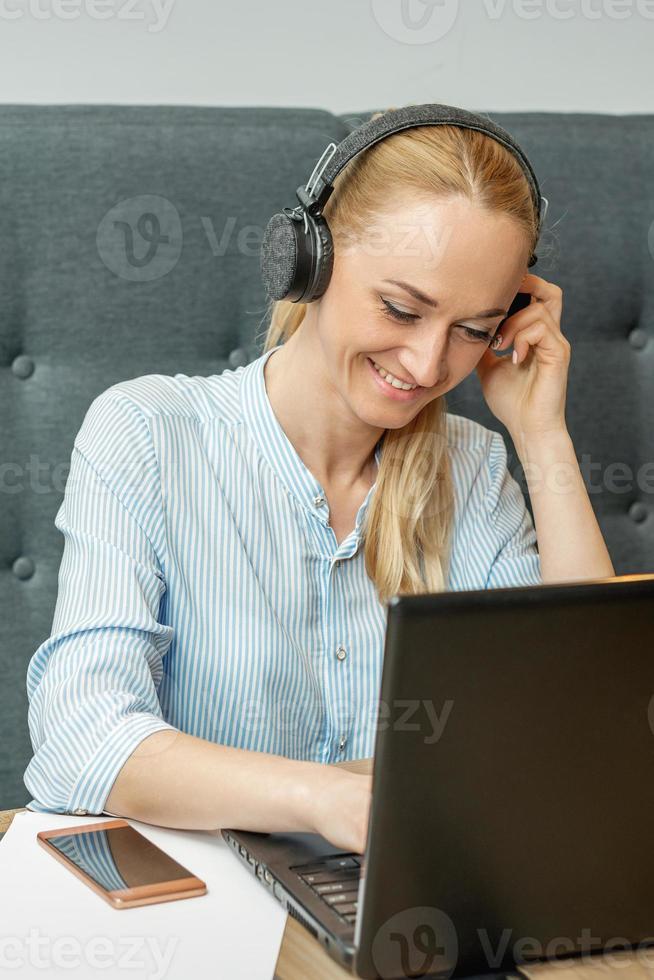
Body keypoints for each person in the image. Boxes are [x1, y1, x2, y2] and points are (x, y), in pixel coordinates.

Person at [24, 107, 614, 856]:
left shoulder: (473, 466)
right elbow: (82, 735)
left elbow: (586, 722)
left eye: (472, 329)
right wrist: (321, 796)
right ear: (311, 259)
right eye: (401, 308)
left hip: (407, 908)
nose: (429, 366)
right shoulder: (148, 433)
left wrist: (540, 433)